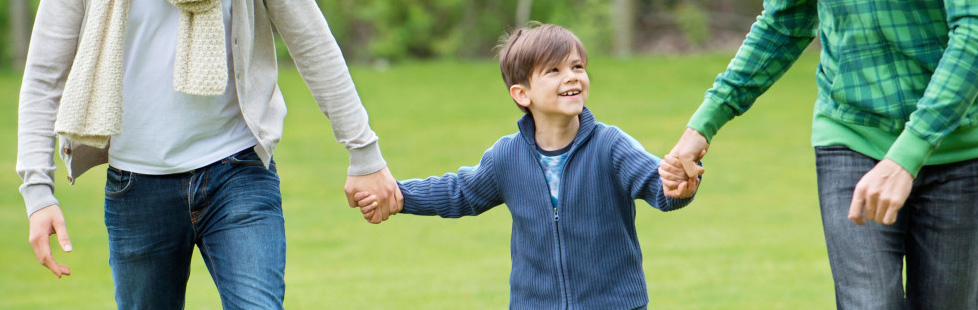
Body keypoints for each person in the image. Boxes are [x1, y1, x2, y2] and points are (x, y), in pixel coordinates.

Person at [17, 0, 401, 309]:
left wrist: (364, 152)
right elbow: (44, 74)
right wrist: (37, 191)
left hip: (238, 172)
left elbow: (311, 40)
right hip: (136, 191)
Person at [353, 23, 700, 309]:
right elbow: (459, 192)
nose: (572, 77)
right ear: (522, 94)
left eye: (577, 67)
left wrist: (678, 188)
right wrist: (396, 194)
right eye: (554, 70)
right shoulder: (508, 157)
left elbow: (659, 184)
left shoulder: (610, 146)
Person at [666, 1, 978, 309]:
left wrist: (907, 154)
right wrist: (704, 123)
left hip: (957, 148)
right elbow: (784, 22)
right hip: (852, 134)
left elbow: (972, 34)